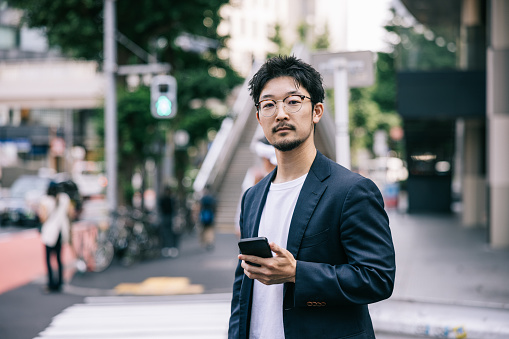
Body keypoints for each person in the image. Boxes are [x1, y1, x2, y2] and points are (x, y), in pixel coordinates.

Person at [228, 55, 396, 339]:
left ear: (316, 111)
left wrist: (297, 273)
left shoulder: (351, 190)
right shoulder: (252, 197)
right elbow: (242, 287)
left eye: (293, 101)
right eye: (268, 105)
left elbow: (377, 278)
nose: (280, 113)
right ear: (259, 118)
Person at [38, 181, 72, 293]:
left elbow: (42, 217)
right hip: (61, 231)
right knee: (59, 258)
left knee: (48, 259)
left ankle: (51, 283)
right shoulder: (65, 199)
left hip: (49, 233)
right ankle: (60, 283)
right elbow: (70, 213)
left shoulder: (45, 200)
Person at [159, 186, 179, 258]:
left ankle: (169, 247)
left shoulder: (168, 199)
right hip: (168, 217)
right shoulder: (170, 199)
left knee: (168, 233)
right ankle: (169, 247)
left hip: (167, 217)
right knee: (168, 233)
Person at [199, 186, 216, 251]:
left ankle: (204, 242)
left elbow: (200, 207)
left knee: (203, 229)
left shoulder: (202, 198)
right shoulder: (212, 198)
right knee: (210, 230)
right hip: (210, 215)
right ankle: (210, 242)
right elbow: (214, 207)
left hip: (203, 215)